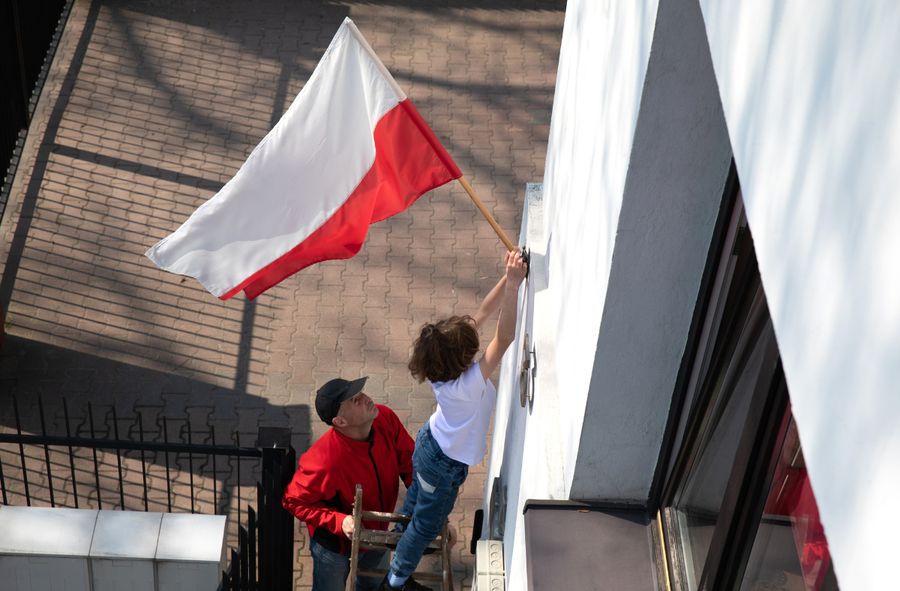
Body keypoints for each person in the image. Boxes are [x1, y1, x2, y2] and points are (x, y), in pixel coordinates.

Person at [381, 249, 528, 591]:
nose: (477, 348)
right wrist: (515, 285)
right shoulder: (467, 384)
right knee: (426, 524)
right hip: (441, 462)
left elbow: (483, 312)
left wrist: (510, 278)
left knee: (418, 498)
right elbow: (503, 338)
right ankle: (396, 580)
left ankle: (398, 538)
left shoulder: (441, 370)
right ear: (462, 358)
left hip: (432, 449)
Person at [283, 376, 415, 591]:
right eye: (355, 400)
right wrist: (339, 521)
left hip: (378, 532)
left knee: (374, 585)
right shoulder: (323, 459)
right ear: (340, 422)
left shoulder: (385, 418)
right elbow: (293, 501)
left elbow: (410, 466)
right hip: (334, 545)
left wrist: (430, 510)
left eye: (360, 393)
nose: (365, 398)